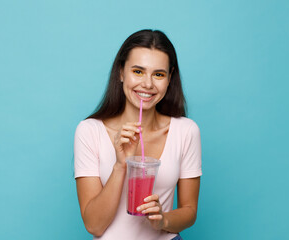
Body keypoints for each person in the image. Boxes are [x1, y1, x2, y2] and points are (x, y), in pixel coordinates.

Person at [74, 29, 202, 240]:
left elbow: (189, 211)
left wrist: (163, 220)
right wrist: (120, 165)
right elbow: (94, 226)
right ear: (121, 73)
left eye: (158, 74)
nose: (148, 84)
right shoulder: (89, 131)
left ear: (169, 78)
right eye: (138, 71)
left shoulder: (186, 131)